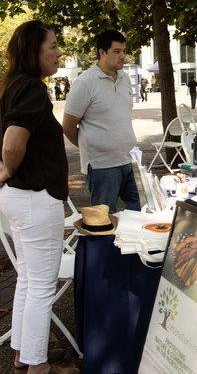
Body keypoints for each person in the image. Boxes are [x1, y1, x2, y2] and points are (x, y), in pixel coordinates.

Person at [0, 20, 78, 374]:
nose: (58, 52)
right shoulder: (30, 88)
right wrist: (5, 168)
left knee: (29, 281)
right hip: (35, 197)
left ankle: (21, 353)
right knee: (41, 286)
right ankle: (38, 364)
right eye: (53, 46)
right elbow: (13, 142)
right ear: (34, 52)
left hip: (20, 198)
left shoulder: (13, 87)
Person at [63, 29, 140, 214]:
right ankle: (105, 244)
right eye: (116, 51)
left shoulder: (124, 78)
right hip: (102, 166)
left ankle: (127, 243)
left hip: (128, 159)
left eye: (123, 51)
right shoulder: (85, 82)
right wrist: (90, 147)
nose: (122, 56)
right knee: (104, 218)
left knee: (141, 208)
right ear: (102, 52)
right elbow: (68, 126)